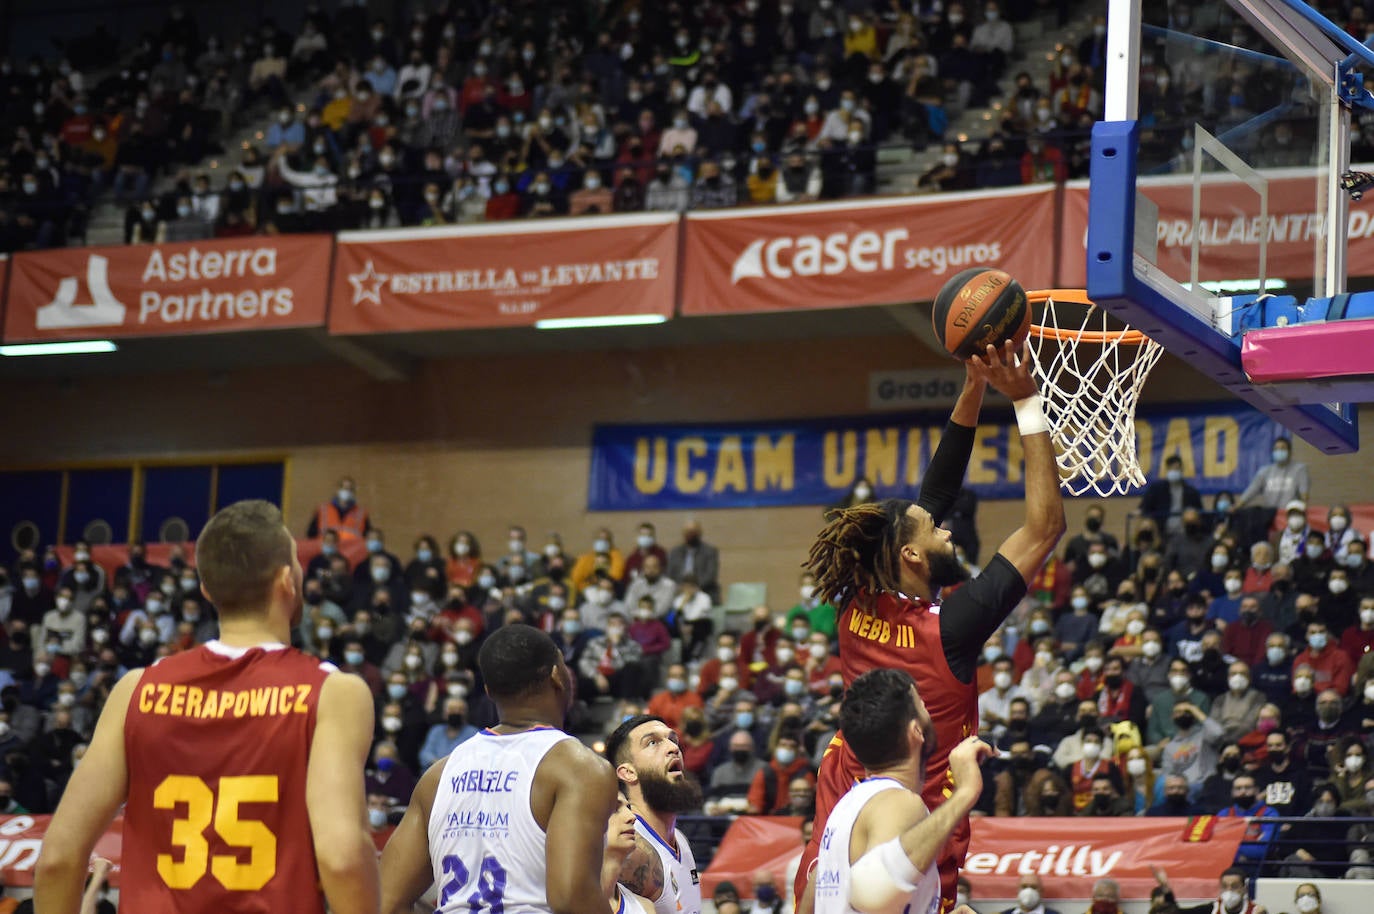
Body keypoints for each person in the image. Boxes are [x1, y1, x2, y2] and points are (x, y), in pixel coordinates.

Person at [797, 341, 1066, 911]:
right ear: (913, 557)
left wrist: (973, 387)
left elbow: (934, 494)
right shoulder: (952, 628)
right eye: (936, 531)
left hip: (840, 808)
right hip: (915, 827)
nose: (947, 529)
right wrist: (1026, 401)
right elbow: (1044, 528)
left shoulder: (856, 599)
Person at [34, 500, 380, 914]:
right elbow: (342, 859)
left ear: (206, 590)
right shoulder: (332, 692)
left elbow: (57, 859)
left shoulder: (135, 690)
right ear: (287, 580)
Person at [378, 623, 618, 914]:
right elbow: (572, 897)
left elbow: (385, 900)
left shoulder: (439, 775)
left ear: (489, 691)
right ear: (557, 675)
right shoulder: (579, 768)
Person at [810, 668, 991, 914]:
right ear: (916, 731)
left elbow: (812, 905)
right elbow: (872, 892)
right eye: (922, 705)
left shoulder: (845, 807)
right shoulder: (898, 803)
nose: (927, 710)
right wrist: (966, 791)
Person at [605, 715, 704, 914]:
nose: (673, 748)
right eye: (653, 742)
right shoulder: (631, 849)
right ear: (628, 772)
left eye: (673, 740)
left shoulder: (680, 839)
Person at [603, 794, 657, 914]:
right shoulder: (563, 904)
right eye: (615, 808)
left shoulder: (646, 908)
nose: (632, 817)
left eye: (628, 808)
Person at [307, 476, 372, 540]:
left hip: (351, 546)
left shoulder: (361, 513)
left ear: (354, 492)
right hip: (328, 546)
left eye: (350, 489)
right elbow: (311, 535)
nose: (346, 491)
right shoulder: (323, 510)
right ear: (337, 490)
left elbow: (368, 537)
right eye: (343, 488)